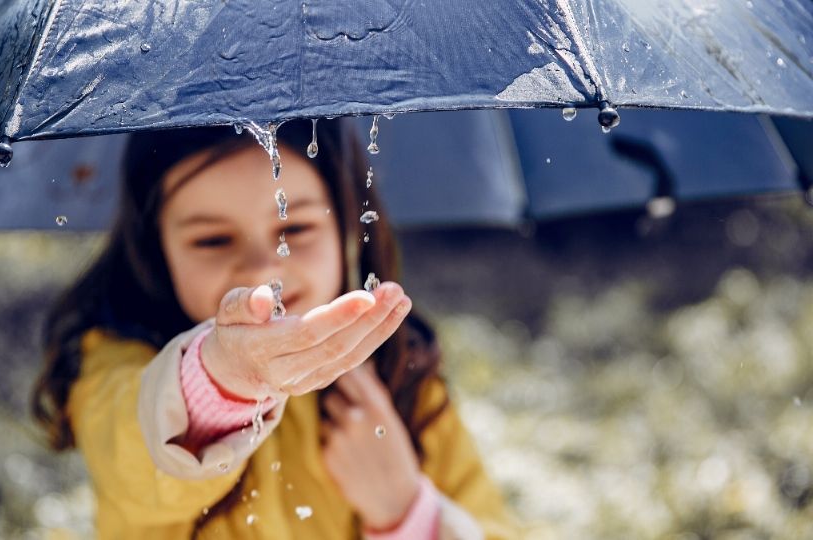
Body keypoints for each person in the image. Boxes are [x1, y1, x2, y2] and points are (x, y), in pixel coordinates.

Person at [31, 119, 517, 539]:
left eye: (294, 230)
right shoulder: (116, 367)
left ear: (350, 227)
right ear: (157, 252)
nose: (263, 271)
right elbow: (136, 457)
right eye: (213, 239)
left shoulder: (403, 379)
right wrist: (222, 380)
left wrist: (404, 510)